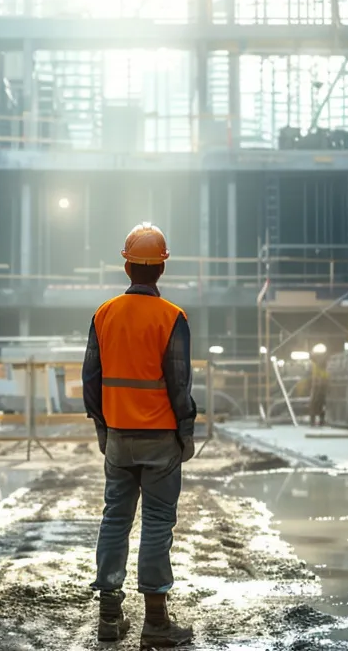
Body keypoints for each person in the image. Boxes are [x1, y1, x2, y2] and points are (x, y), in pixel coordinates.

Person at [83, 222, 197, 648]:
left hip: (118, 436)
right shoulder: (172, 318)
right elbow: (179, 383)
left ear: (127, 266)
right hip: (160, 438)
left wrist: (103, 427)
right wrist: (185, 433)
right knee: (157, 524)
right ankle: (156, 622)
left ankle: (110, 619)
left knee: (115, 520)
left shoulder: (104, 314)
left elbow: (90, 380)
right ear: (160, 271)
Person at [307, 352, 329, 427]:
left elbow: (321, 379)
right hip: (319, 388)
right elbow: (315, 378)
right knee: (317, 405)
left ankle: (318, 421)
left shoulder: (322, 369)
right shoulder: (316, 367)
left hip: (319, 389)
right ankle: (315, 421)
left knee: (318, 405)